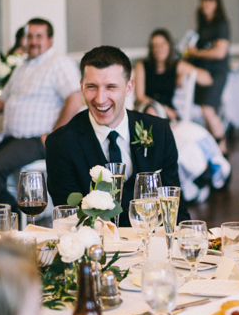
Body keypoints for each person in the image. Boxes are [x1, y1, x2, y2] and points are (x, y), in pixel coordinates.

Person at [46, 46, 189, 226]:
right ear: (81, 86)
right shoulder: (60, 144)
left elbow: (175, 208)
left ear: (129, 87)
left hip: (151, 244)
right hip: (96, 248)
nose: (100, 99)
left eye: (111, 87)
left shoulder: (159, 131)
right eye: (92, 87)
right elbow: (68, 220)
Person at [0, 18, 82, 212]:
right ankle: (11, 206)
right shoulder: (22, 67)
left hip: (37, 138)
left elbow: (75, 99)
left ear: (50, 40)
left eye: (39, 36)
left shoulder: (59, 63)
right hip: (9, 136)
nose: (33, 41)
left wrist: (55, 135)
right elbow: (1, 101)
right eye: (29, 36)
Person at [184, 0, 231, 154]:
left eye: (210, 0)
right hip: (202, 72)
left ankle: (222, 148)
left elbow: (220, 52)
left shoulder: (221, 24)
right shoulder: (202, 26)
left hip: (216, 73)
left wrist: (196, 53)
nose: (206, 4)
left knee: (208, 109)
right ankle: (212, 148)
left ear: (217, 4)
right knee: (206, 110)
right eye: (204, 0)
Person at [134, 28, 212, 120]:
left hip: (168, 114)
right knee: (151, 111)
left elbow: (208, 79)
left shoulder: (176, 65)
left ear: (169, 46)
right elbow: (140, 96)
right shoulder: (142, 65)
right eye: (155, 45)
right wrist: (163, 108)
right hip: (146, 109)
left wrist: (187, 71)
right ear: (151, 49)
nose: (159, 48)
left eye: (162, 44)